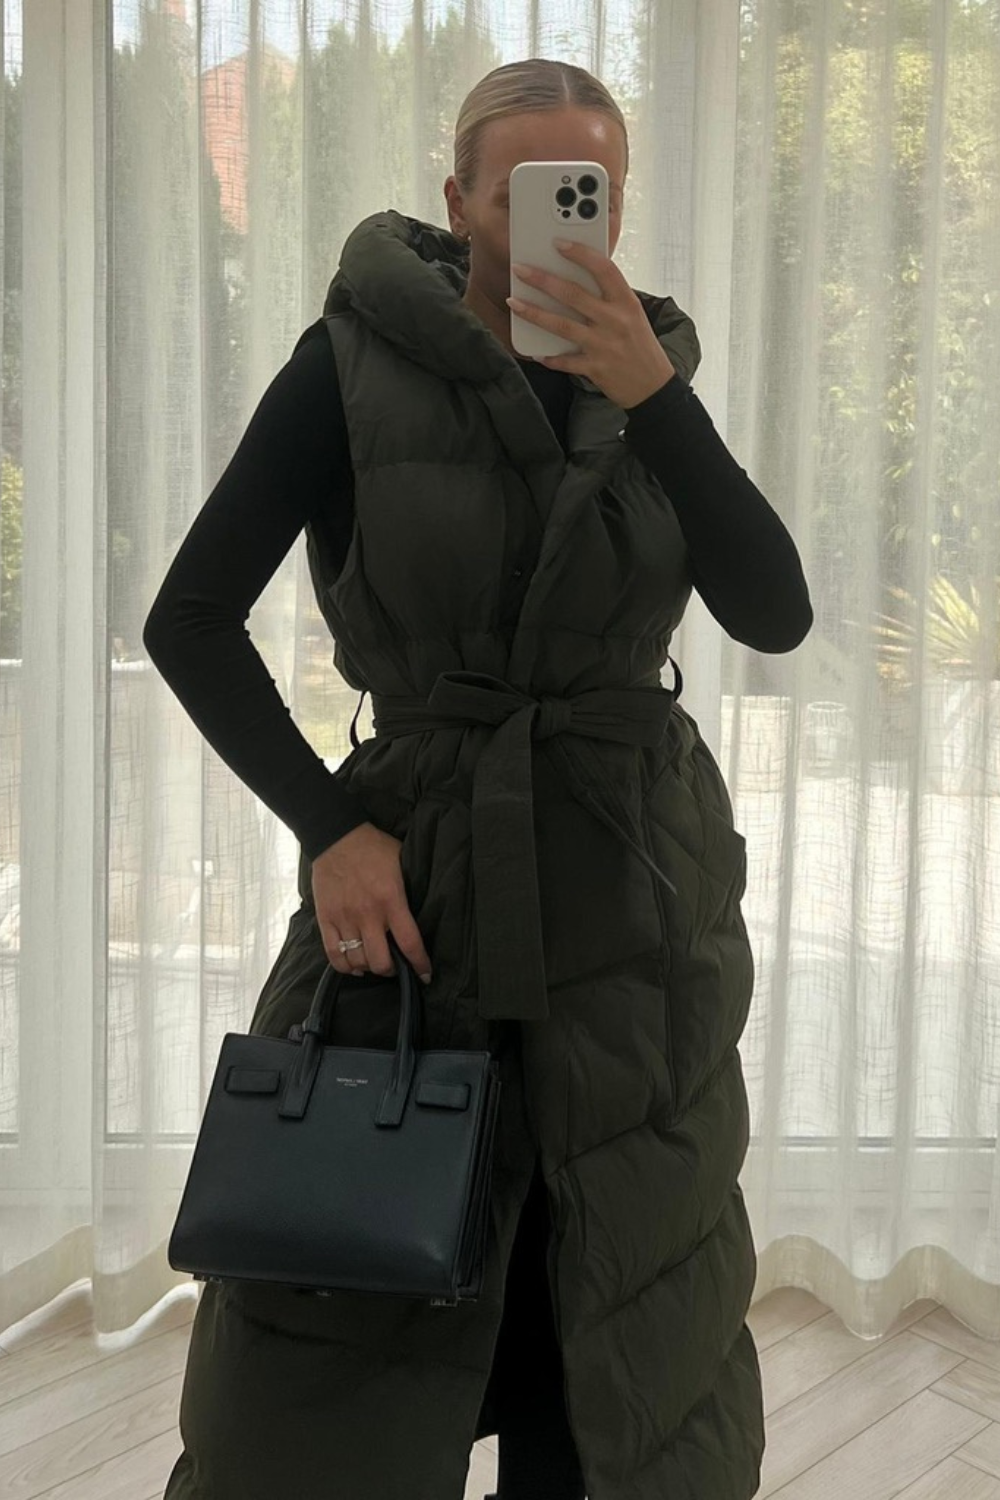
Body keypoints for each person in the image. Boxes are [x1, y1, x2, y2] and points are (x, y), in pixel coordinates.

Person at [144, 56, 811, 1500]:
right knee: (347, 1311)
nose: (567, 214)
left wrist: (658, 398)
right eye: (528, 188)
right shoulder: (350, 363)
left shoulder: (654, 371)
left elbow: (775, 613)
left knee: (617, 1311)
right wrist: (329, 829)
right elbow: (187, 619)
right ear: (459, 198)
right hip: (422, 879)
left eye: (596, 189)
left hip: (632, 895)